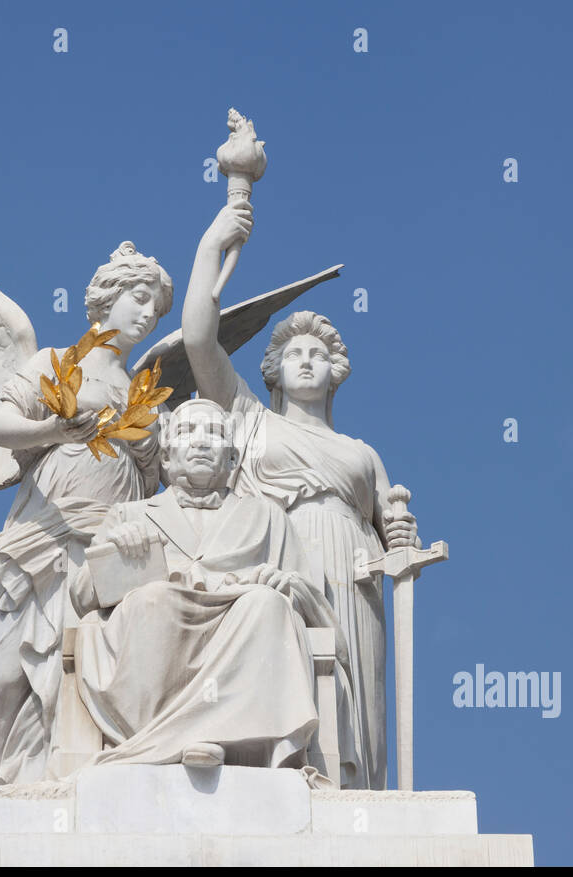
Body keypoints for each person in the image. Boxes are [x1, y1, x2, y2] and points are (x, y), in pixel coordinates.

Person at [180, 202, 420, 789]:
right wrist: (213, 245)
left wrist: (404, 537)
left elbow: (393, 530)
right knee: (283, 660)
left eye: (317, 354)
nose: (307, 361)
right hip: (277, 552)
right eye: (294, 353)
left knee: (354, 687)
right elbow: (197, 337)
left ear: (336, 370)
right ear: (273, 369)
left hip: (353, 569)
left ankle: (350, 793)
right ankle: (281, 772)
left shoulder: (362, 453)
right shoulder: (250, 419)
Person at [0, 241, 174, 786]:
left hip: (113, 539)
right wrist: (54, 429)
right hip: (44, 530)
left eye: (157, 309)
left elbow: (164, 476)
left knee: (89, 668)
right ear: (105, 298)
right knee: (6, 674)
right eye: (140, 299)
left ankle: (66, 780)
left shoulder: (145, 389)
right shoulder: (54, 363)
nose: (147, 314)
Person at [68, 400, 359, 780]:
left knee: (267, 605)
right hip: (161, 615)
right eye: (188, 433)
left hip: (239, 614)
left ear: (232, 459)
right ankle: (166, 738)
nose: (202, 443)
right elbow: (82, 594)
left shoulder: (268, 515)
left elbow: (307, 591)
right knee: (154, 600)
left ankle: (217, 736)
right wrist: (119, 550)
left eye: (214, 434)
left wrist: (285, 585)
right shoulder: (132, 514)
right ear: (167, 458)